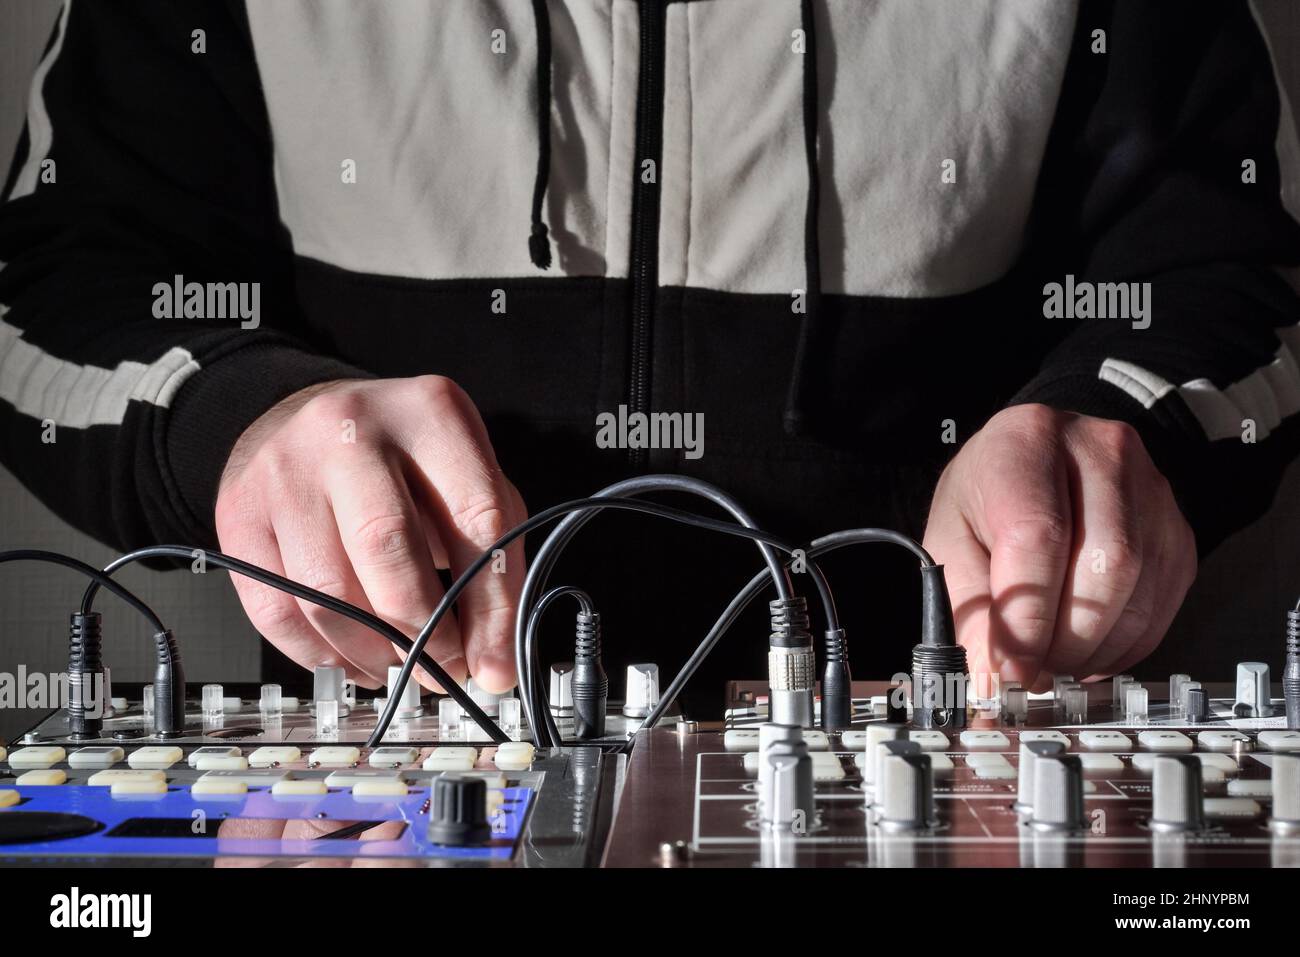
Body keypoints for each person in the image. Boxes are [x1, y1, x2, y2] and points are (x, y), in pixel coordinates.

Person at [1, 1, 1297, 716]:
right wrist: (240, 419)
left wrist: (1121, 421)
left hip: (956, 744)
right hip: (382, 785)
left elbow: (1231, 275)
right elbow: (55, 285)